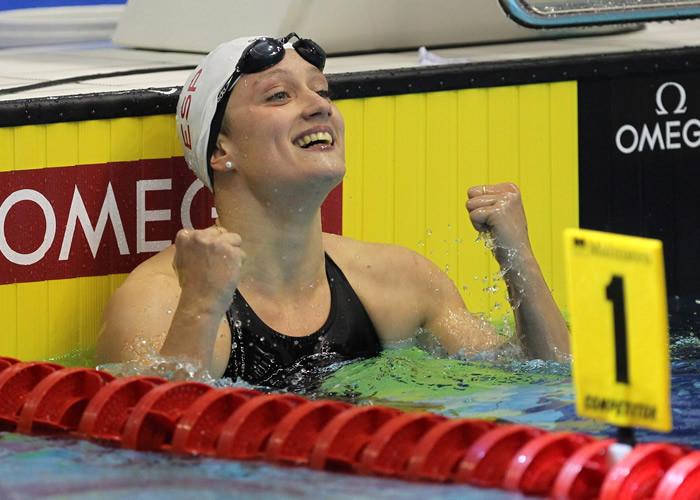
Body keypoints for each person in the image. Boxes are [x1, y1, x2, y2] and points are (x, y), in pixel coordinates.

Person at [96, 33, 569, 384]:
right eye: (279, 95)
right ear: (220, 150)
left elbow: (544, 381)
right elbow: (153, 444)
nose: (318, 107)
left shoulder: (394, 281)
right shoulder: (160, 300)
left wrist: (517, 256)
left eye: (321, 92)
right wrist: (200, 307)